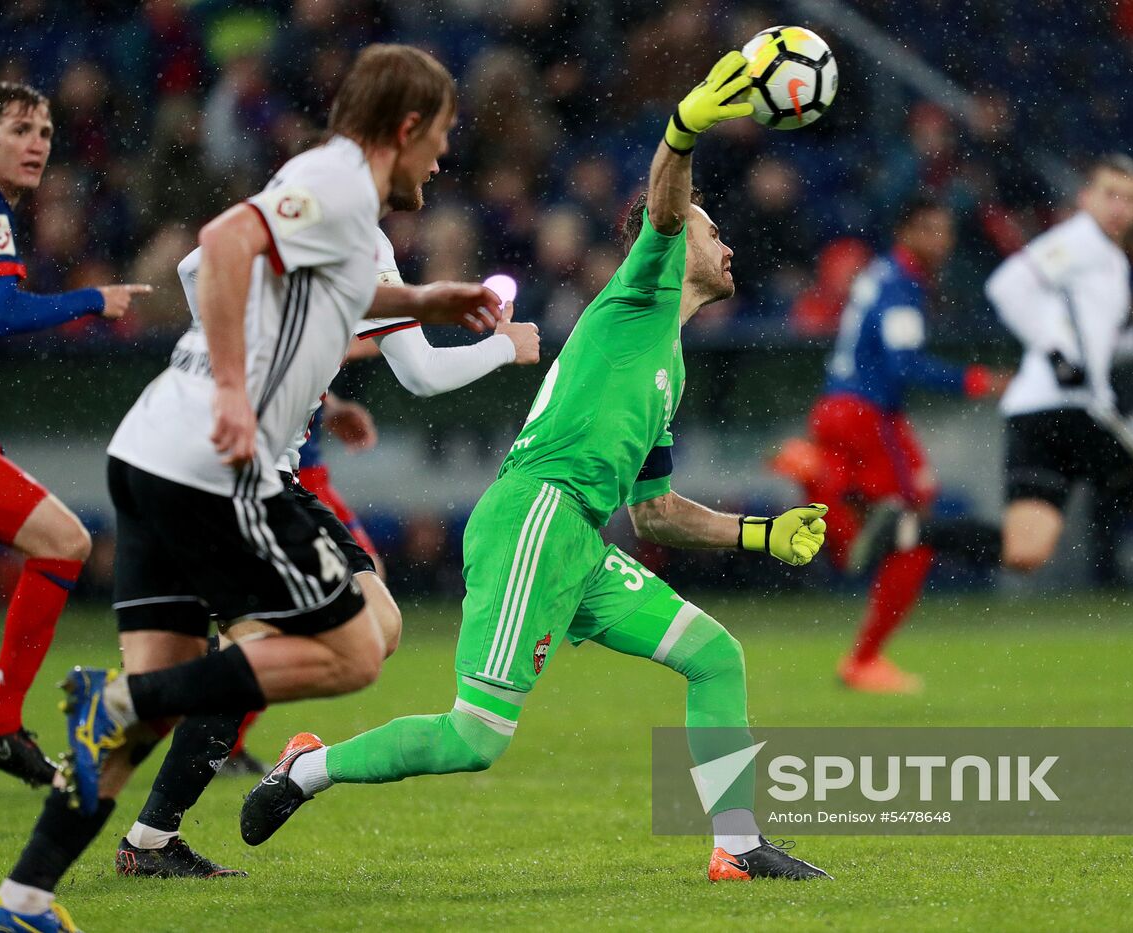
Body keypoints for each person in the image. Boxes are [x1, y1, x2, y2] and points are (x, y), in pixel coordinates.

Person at [240, 51, 832, 883]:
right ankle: (309, 766)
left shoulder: (667, 365)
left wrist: (760, 534)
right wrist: (684, 128)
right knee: (473, 738)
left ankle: (737, 845)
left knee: (715, 654)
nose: (726, 245)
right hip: (536, 516)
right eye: (712, 231)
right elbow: (665, 205)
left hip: (579, 540)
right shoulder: (641, 295)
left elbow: (656, 513)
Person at [0, 44, 504, 931]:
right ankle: (121, 699)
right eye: (442, 135)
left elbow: (258, 280)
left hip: (150, 451)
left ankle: (22, 896)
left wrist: (419, 305)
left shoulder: (337, 200)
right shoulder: (338, 182)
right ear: (406, 127)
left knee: (159, 703)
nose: (445, 155)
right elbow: (220, 247)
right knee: (359, 643)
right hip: (217, 467)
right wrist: (234, 387)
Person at [114, 211, 540, 881]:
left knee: (374, 626)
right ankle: (156, 746)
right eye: (427, 158)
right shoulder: (357, 234)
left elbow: (193, 268)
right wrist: (506, 348)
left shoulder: (289, 213)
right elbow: (422, 374)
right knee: (290, 647)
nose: (432, 170)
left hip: (247, 474)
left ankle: (167, 802)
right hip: (242, 479)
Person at [854, 155, 1133, 687]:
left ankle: (908, 529)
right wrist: (1055, 354)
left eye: (1131, 198)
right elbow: (1007, 287)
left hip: (1034, 411)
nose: (1120, 207)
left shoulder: (1106, 259)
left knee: (1026, 550)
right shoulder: (1081, 242)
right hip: (1073, 408)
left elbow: (1081, 339)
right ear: (1086, 197)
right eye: (1110, 194)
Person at [0, 84, 148, 788]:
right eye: (19, 130)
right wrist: (94, 299)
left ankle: (0, 726)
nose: (37, 143)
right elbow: (1, 312)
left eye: (44, 130)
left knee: (64, 541)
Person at [771, 195, 1007, 694]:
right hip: (866, 414)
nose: (942, 242)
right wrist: (979, 380)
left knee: (874, 534)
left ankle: (820, 479)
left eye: (946, 231)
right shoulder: (901, 284)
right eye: (931, 230)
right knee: (915, 528)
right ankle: (864, 659)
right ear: (906, 232)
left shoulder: (882, 275)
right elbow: (906, 365)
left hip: (840, 408)